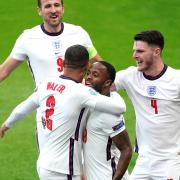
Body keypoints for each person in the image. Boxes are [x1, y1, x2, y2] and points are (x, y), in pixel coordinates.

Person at [0, 45, 125, 180]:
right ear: (86, 67)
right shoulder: (81, 92)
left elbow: (24, 107)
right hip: (64, 168)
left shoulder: (45, 84)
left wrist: (6, 125)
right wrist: (113, 93)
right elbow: (120, 108)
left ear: (63, 62)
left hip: (44, 164)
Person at [0, 0, 101, 151]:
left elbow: (99, 65)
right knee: (49, 165)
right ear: (39, 11)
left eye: (56, 5)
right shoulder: (27, 38)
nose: (53, 10)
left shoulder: (79, 33)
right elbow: (4, 70)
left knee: (86, 168)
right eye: (48, 6)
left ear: (63, 8)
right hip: (49, 113)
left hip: (81, 110)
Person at [114, 30, 180, 180]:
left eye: (140, 51)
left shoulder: (176, 80)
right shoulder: (130, 76)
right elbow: (102, 85)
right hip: (144, 161)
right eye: (134, 51)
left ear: (156, 52)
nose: (134, 56)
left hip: (171, 162)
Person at [83, 61, 132, 180]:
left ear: (107, 83)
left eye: (95, 75)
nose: (88, 77)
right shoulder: (89, 99)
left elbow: (126, 150)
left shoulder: (109, 114)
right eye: (88, 73)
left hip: (107, 175)